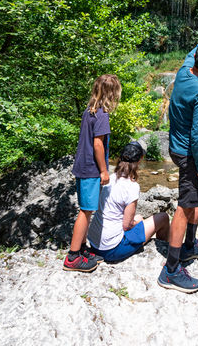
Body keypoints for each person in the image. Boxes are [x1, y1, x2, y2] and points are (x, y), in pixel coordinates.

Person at [158, 40, 198, 293]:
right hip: (187, 155)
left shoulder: (184, 71)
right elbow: (197, 137)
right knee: (184, 207)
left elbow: (193, 50)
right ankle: (171, 270)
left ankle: (191, 244)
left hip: (175, 148)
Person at [64, 74, 122, 272]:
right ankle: (73, 257)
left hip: (82, 166)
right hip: (91, 169)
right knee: (86, 210)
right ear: (111, 94)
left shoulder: (89, 111)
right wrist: (104, 171)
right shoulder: (102, 115)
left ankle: (81, 249)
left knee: (86, 209)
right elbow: (98, 144)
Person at [87, 141, 170, 263]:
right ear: (139, 161)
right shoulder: (132, 186)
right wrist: (138, 221)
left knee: (139, 216)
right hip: (111, 250)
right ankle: (165, 251)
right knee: (163, 217)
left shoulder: (109, 178)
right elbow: (126, 226)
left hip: (94, 244)